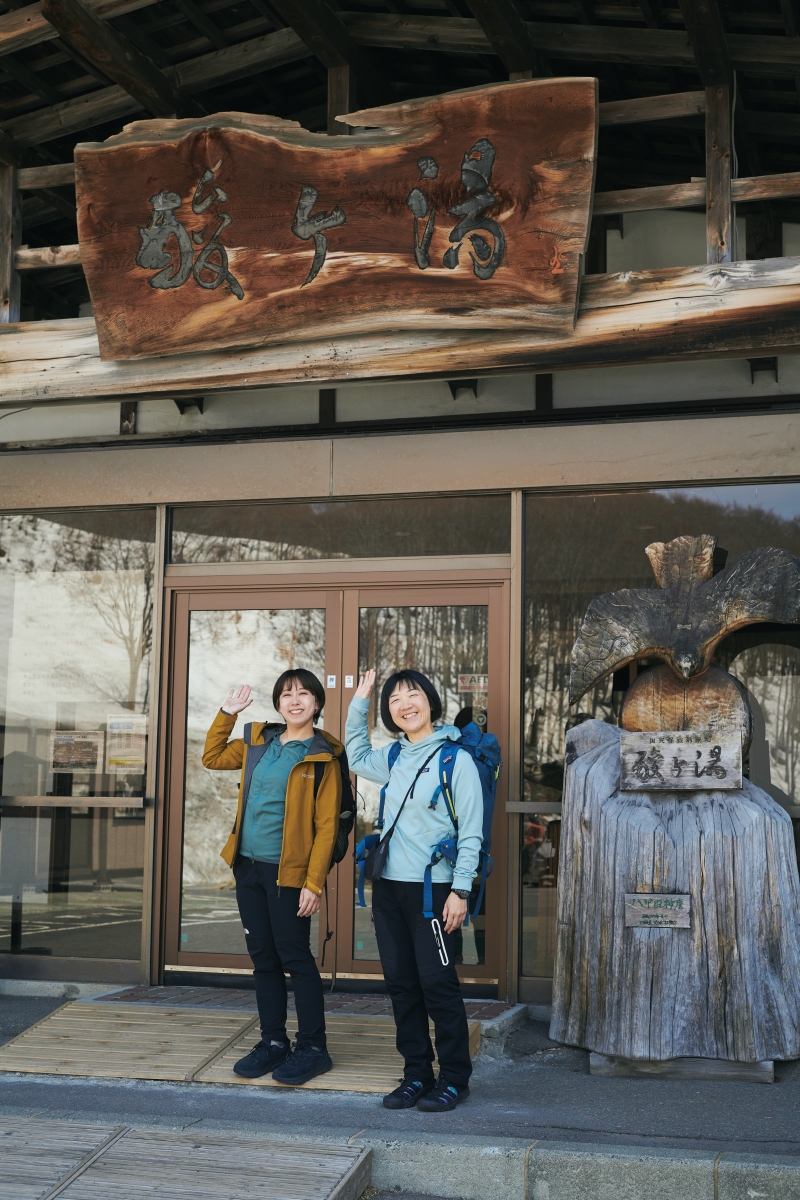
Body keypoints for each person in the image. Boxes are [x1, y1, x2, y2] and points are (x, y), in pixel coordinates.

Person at [202, 668, 352, 1086]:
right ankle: (273, 1041)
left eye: (303, 693)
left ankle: (313, 1048)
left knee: (295, 957)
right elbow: (212, 757)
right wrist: (227, 713)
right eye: (287, 694)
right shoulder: (259, 742)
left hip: (290, 873)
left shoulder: (323, 756)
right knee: (263, 959)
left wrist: (314, 882)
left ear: (317, 703)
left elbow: (327, 826)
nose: (295, 700)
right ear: (278, 704)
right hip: (247, 865)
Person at [346, 667, 483, 1111]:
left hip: (434, 892)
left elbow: (472, 833)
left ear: (430, 701)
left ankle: (455, 1078)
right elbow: (354, 755)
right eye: (394, 700)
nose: (405, 704)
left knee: (438, 984)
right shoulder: (392, 756)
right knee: (402, 985)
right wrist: (360, 701)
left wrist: (460, 890)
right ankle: (417, 1073)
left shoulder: (455, 760)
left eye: (413, 695)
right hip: (389, 890)